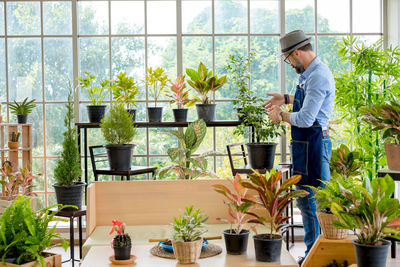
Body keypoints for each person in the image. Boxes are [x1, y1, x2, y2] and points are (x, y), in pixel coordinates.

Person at [266, 30, 335, 264]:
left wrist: (281, 116)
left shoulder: (319, 76)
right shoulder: (309, 73)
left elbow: (306, 119)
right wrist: (284, 98)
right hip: (305, 146)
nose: (289, 63)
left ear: (296, 52)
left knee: (318, 205)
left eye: (288, 59)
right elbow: (305, 100)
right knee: (306, 201)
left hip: (315, 145)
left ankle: (318, 258)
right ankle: (311, 256)